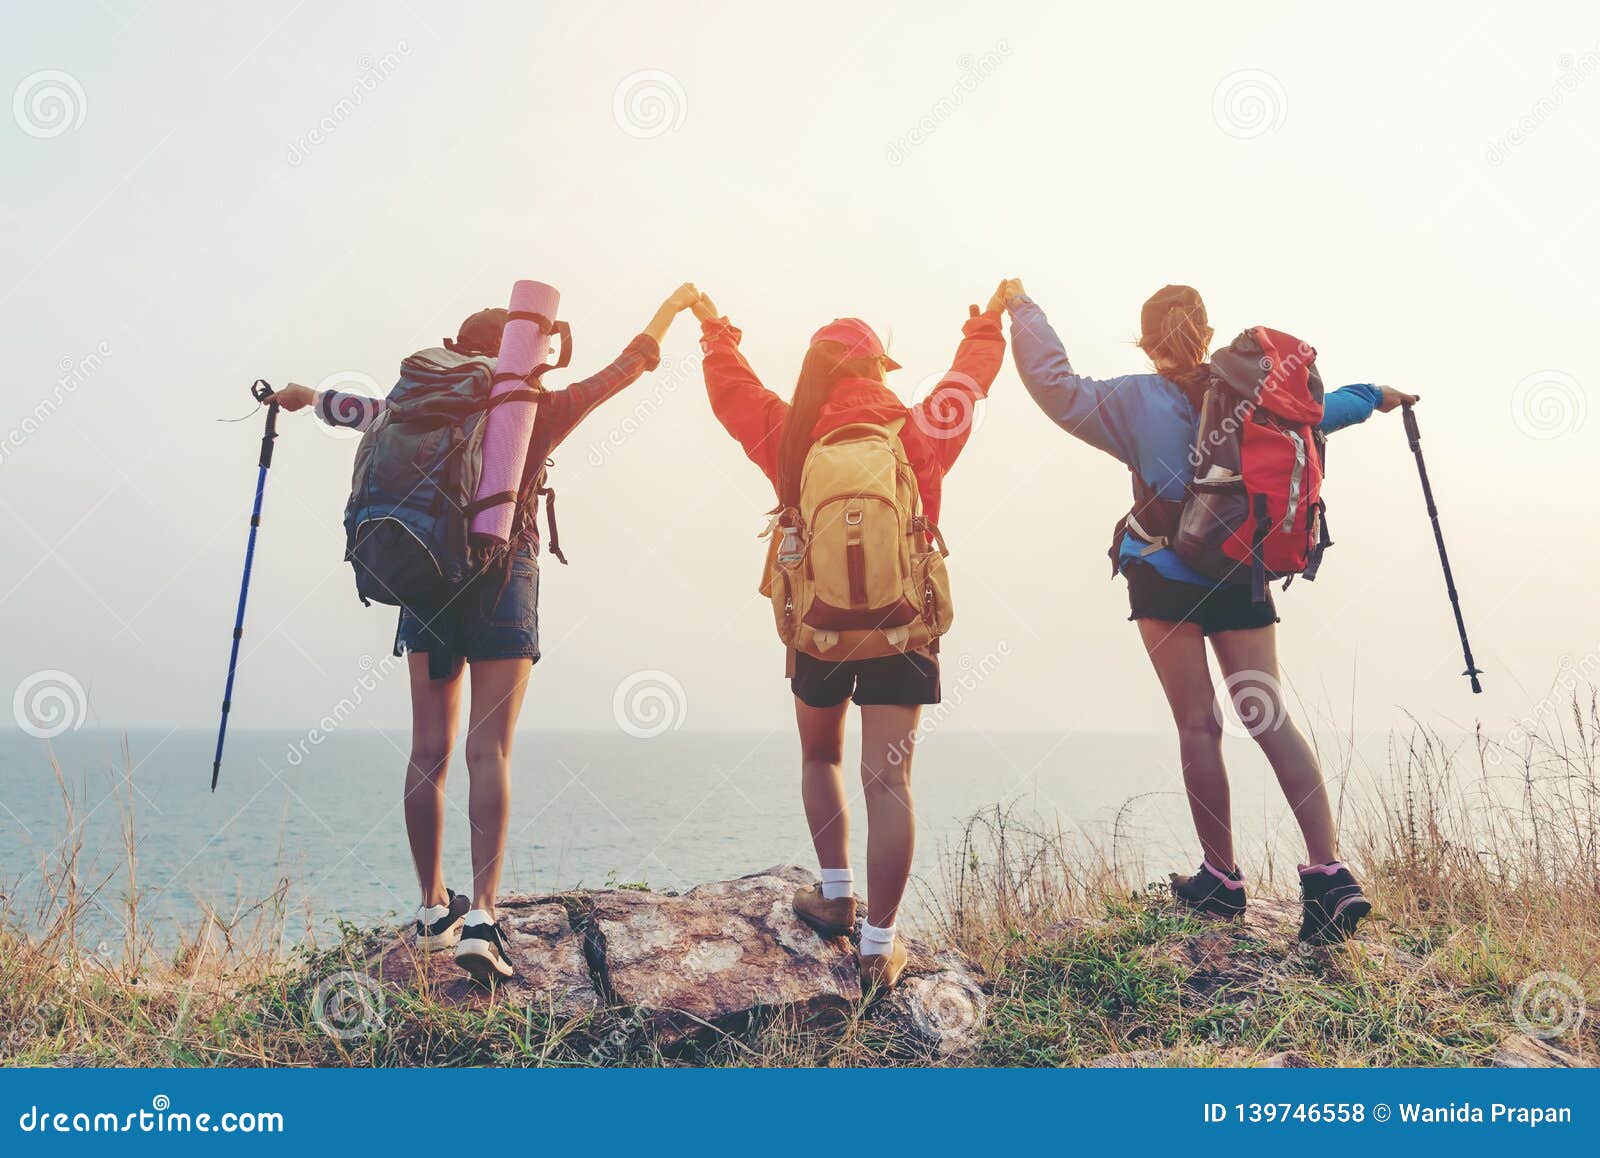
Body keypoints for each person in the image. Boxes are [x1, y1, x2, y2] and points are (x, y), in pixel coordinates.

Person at [264, 283, 702, 983]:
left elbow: (347, 409)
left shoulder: (411, 406)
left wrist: (296, 395)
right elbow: (628, 367)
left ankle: (432, 907)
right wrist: (671, 311)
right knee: (488, 749)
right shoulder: (535, 409)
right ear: (520, 354)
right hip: (503, 581)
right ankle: (485, 917)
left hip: (425, 581)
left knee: (428, 750)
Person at [998, 278, 1417, 943]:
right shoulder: (1253, 397)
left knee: (1200, 727)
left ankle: (1221, 881)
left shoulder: (1132, 400)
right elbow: (1320, 410)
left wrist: (1022, 311)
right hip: (1241, 575)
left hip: (1165, 575)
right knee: (1269, 717)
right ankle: (1330, 877)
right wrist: (1377, 396)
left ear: (1143, 338)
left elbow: (1056, 386)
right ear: (1207, 330)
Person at [692, 285, 1007, 989]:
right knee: (888, 779)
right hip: (903, 626)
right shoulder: (919, 429)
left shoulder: (788, 430)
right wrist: (987, 322)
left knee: (819, 755)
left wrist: (716, 331)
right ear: (877, 370)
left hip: (816, 629)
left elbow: (730, 390)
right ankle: (879, 944)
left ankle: (836, 896)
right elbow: (971, 378)